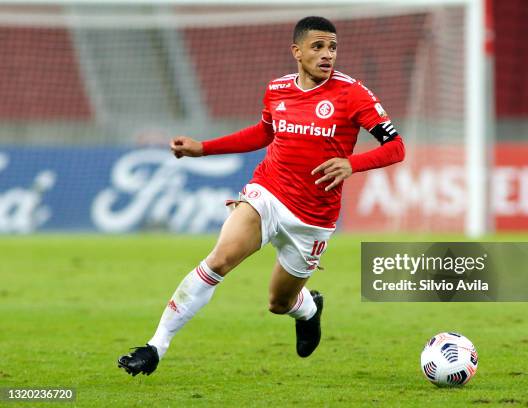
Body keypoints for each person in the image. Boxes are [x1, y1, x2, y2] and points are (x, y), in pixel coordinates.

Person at [118, 16, 405, 376]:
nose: (327, 54)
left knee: (278, 302)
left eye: (332, 47)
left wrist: (352, 163)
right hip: (267, 193)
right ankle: (155, 347)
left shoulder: (353, 94)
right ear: (297, 52)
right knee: (219, 260)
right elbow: (263, 133)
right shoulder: (278, 89)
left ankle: (308, 308)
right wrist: (202, 148)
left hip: (313, 217)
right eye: (317, 47)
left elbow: (396, 147)